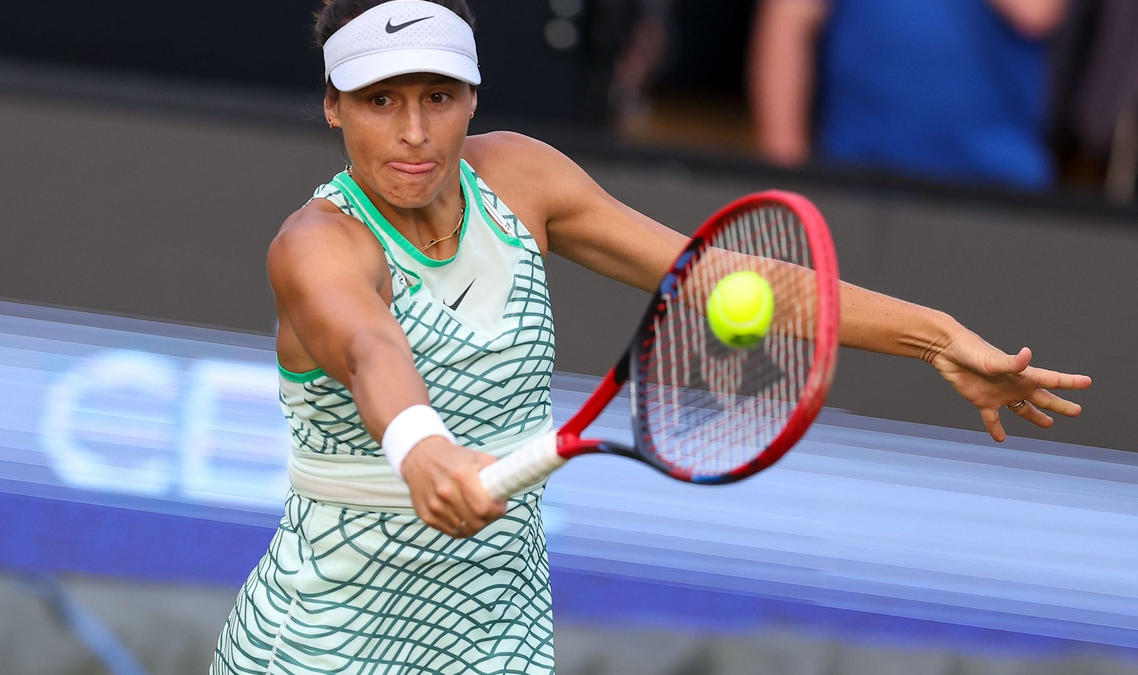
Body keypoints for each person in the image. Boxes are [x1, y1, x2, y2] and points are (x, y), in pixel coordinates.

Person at [211, 1, 1091, 673]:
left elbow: (720, 281)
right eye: (378, 101)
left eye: (437, 98)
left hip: (495, 627)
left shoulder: (521, 178)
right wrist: (423, 449)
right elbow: (372, 349)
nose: (412, 133)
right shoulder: (316, 245)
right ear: (333, 107)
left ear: (472, 96)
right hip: (321, 639)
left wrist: (935, 338)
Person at [749, 0, 1071, 190]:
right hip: (854, 179)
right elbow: (789, 19)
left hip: (998, 184)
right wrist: (786, 172)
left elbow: (1037, 12)